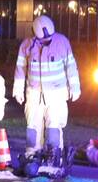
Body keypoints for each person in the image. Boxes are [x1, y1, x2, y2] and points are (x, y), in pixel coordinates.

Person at [13, 15, 81, 164]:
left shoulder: (62, 42)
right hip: (34, 94)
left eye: (49, 39)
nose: (46, 41)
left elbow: (71, 66)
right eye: (43, 40)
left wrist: (75, 87)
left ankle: (54, 159)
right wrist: (18, 90)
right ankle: (32, 158)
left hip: (56, 95)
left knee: (53, 130)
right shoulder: (27, 45)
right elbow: (20, 69)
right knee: (32, 129)